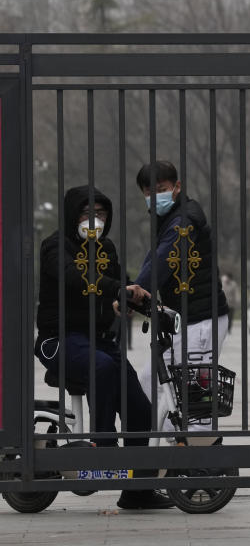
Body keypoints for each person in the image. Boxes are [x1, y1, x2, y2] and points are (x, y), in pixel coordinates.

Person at [35, 186, 174, 510]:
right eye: (87, 213)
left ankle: (138, 491)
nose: (94, 219)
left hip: (98, 340)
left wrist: (131, 300)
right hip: (61, 339)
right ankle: (103, 447)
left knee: (140, 407)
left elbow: (116, 284)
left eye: (100, 213)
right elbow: (76, 278)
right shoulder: (56, 246)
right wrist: (117, 288)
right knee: (102, 366)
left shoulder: (106, 248)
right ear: (73, 215)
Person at [134, 161, 229, 437]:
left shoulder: (184, 220)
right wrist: (135, 288)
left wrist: (137, 287)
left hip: (201, 320)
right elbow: (155, 257)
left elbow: (164, 258)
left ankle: (201, 459)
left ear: (177, 187)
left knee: (196, 400)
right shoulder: (169, 218)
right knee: (147, 383)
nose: (155, 197)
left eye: (161, 189)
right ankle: (176, 446)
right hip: (182, 320)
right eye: (149, 192)